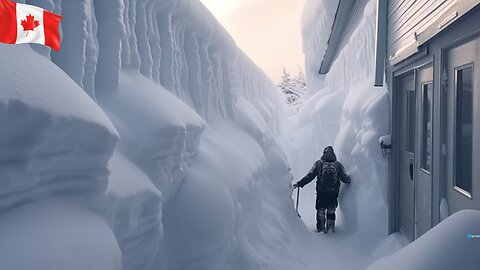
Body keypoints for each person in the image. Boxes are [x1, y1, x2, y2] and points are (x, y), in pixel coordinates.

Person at [293, 146, 351, 233]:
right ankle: (330, 230)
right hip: (333, 193)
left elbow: (310, 176)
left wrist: (300, 183)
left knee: (321, 210)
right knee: (331, 210)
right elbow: (345, 178)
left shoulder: (318, 164)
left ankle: (320, 230)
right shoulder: (337, 165)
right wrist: (351, 179)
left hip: (321, 193)